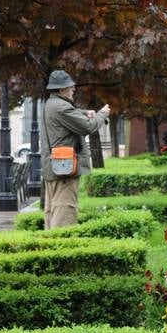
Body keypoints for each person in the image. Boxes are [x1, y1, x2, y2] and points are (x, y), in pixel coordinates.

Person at [41, 70, 110, 229]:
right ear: (60, 90)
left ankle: (51, 249)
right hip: (64, 170)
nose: (73, 89)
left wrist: (85, 112)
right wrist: (102, 114)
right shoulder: (61, 107)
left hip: (54, 167)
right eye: (70, 86)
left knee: (52, 212)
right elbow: (88, 127)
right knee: (64, 212)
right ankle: (61, 251)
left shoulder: (51, 104)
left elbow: (69, 114)